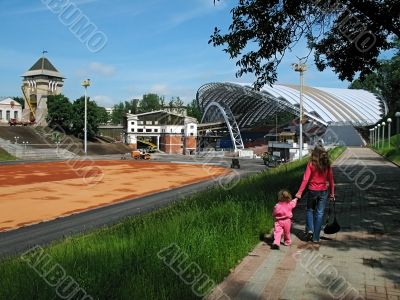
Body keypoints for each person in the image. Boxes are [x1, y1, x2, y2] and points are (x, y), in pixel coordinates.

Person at [295, 145, 335, 243]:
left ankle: (310, 229)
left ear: (314, 154)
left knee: (309, 210)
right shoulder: (327, 164)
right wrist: (332, 193)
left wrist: (299, 192)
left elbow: (305, 179)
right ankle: (316, 238)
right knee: (320, 213)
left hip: (312, 190)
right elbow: (331, 180)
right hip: (323, 191)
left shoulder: (311, 164)